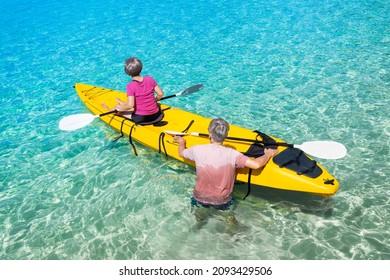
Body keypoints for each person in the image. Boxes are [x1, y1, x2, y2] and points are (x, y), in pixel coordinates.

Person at [173, 118, 277, 229]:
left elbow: (181, 153)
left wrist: (181, 142)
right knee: (230, 218)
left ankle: (199, 225)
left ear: (209, 134)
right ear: (225, 136)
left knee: (200, 218)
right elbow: (256, 165)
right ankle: (231, 230)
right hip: (221, 200)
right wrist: (268, 154)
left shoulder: (197, 149)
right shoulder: (233, 154)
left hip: (199, 196)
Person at [102, 57, 164, 124]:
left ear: (127, 72)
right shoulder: (149, 79)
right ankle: (123, 104)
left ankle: (109, 110)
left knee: (118, 108)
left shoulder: (130, 86)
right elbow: (160, 94)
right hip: (156, 115)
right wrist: (154, 100)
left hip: (142, 118)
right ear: (141, 68)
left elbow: (130, 105)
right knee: (137, 102)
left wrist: (118, 109)